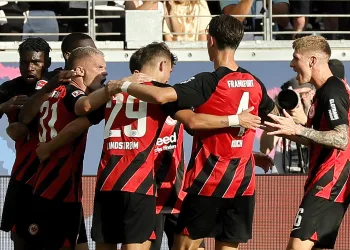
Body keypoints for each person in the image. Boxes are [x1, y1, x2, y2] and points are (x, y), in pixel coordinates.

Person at [105, 14, 279, 250]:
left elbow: (162, 97)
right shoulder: (255, 82)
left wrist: (121, 84)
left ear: (210, 40)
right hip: (243, 181)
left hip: (210, 178)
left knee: (185, 247)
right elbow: (272, 117)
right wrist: (248, 151)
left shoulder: (207, 81)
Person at [13, 47, 108, 250]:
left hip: (55, 187)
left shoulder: (54, 90)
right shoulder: (72, 92)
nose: (105, 73)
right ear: (80, 71)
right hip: (58, 189)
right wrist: (113, 89)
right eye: (99, 67)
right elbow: (83, 108)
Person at [264, 35, 350, 250]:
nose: (292, 65)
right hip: (330, 181)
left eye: (296, 58)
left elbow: (341, 138)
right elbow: (319, 139)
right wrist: (285, 130)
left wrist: (298, 128)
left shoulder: (332, 91)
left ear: (312, 60)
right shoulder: (323, 92)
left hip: (329, 181)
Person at [0, 37, 52, 250]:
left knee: (56, 236)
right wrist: (6, 106)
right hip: (23, 170)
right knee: (19, 236)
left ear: (46, 62)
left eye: (36, 62)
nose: (29, 67)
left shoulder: (58, 82)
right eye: (24, 62)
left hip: (54, 168)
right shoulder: (10, 88)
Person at [260, 78, 315, 174]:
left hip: (314, 180)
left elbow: (327, 144)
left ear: (313, 93)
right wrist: (275, 116)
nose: (300, 99)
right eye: (296, 95)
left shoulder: (320, 114)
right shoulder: (282, 117)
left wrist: (305, 122)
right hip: (284, 182)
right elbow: (265, 149)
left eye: (304, 94)